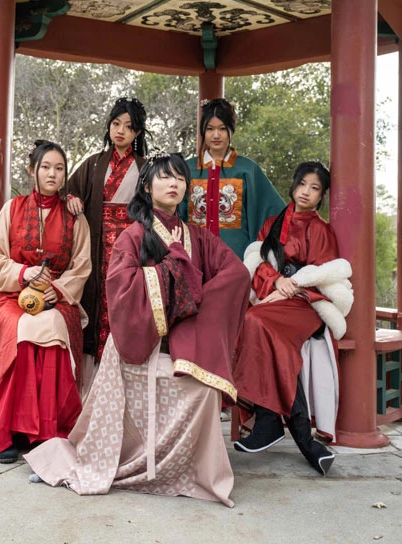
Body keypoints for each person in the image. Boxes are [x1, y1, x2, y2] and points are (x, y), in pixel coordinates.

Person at [25, 152, 251, 507]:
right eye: (164, 177)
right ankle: (126, 463)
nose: (174, 183)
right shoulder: (133, 236)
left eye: (180, 177)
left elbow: (236, 273)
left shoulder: (198, 237)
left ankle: (186, 471)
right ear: (147, 186)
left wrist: (195, 305)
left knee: (204, 389)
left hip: (183, 346)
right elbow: (121, 287)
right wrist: (171, 278)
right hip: (140, 345)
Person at [232, 161, 353, 476]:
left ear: (322, 196)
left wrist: (294, 285)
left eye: (315, 188)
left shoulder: (321, 230)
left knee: (256, 321)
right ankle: (302, 438)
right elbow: (258, 262)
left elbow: (325, 277)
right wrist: (276, 281)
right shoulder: (273, 224)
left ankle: (269, 419)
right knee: (262, 327)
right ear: (294, 185)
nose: (306, 192)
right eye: (302, 184)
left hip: (307, 304)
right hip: (276, 297)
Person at [0, 140, 91, 464]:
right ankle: (7, 431)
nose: (52, 174)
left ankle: (47, 432)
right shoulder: (12, 209)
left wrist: (60, 290)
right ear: (32, 170)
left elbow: (82, 266)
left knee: (51, 326)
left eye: (59, 168)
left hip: (57, 297)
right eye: (45, 167)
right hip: (12, 294)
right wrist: (23, 273)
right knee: (20, 328)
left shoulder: (75, 217)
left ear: (65, 174)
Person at [66, 97, 148, 374]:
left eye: (129, 126)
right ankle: (94, 372)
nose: (120, 130)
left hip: (130, 248)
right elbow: (70, 190)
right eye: (116, 124)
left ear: (137, 133)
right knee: (96, 301)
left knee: (124, 303)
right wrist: (72, 198)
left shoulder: (145, 168)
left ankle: (122, 367)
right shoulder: (93, 164)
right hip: (97, 246)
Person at [179, 97, 284, 260]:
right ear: (203, 131)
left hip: (236, 258)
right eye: (210, 129)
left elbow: (273, 209)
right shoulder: (187, 168)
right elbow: (173, 213)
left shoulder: (247, 169)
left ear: (231, 130)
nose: (216, 135)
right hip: (195, 257)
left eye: (222, 128)